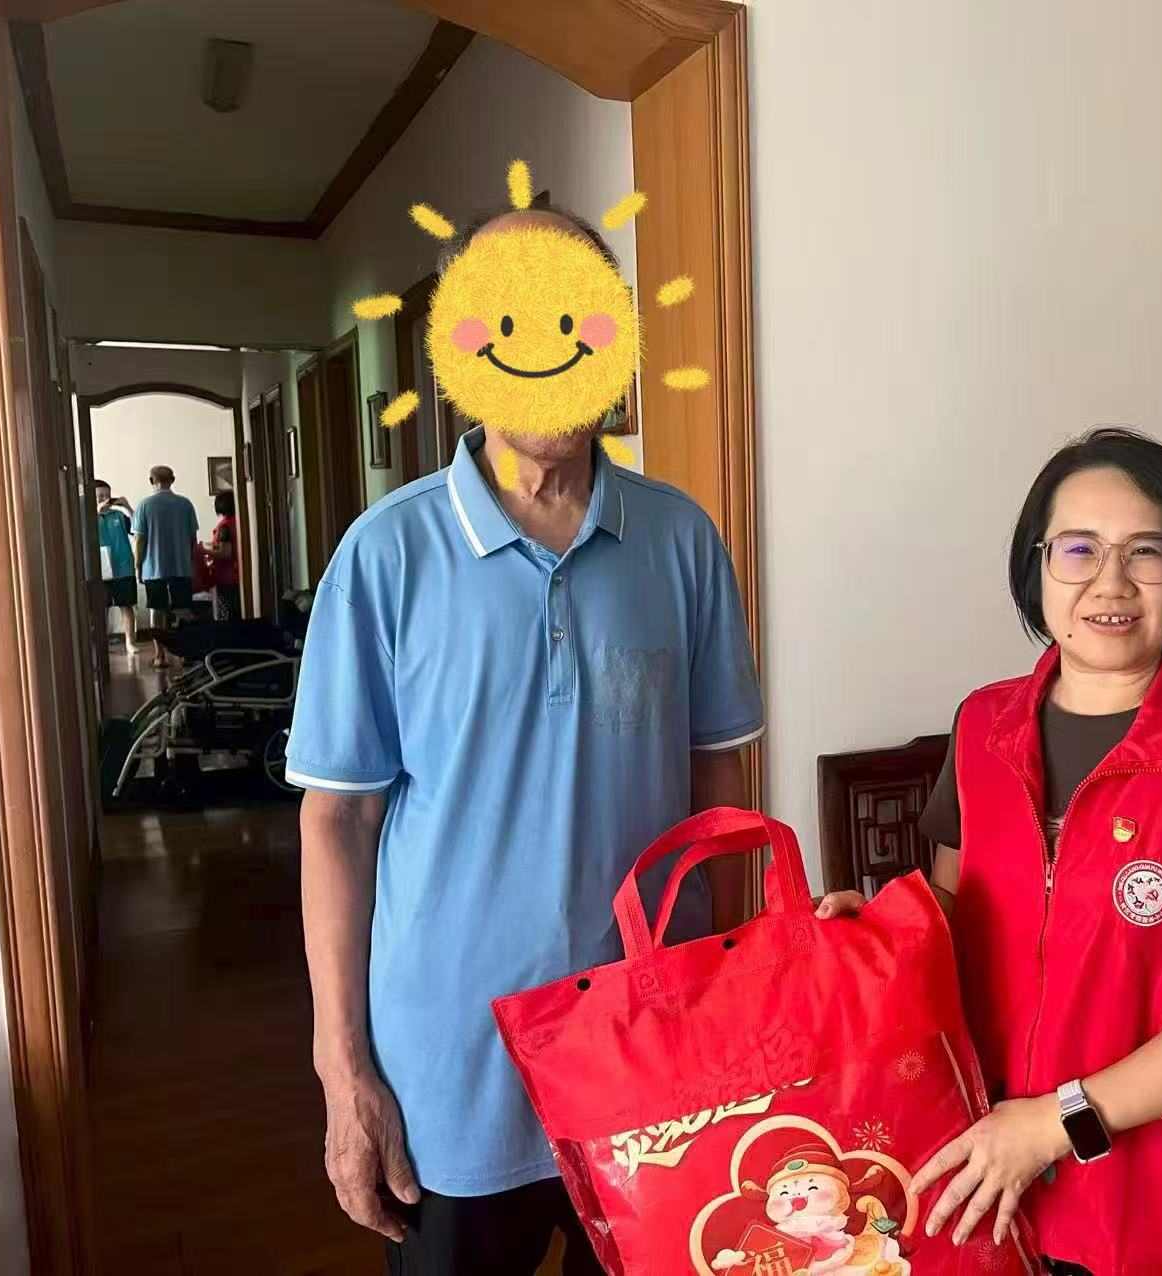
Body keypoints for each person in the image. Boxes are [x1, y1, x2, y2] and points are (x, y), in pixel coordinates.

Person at [288, 202, 764, 1276]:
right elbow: (338, 819)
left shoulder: (682, 540)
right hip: (451, 1078)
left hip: (651, 1059)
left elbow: (717, 778)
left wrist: (729, 1003)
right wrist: (342, 1069)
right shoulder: (387, 555)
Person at [819, 428, 1162, 1274]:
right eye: (1078, 548)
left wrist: (1051, 1124)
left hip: (1149, 1198)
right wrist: (877, 932)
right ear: (1038, 566)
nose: (1111, 582)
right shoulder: (981, 728)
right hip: (978, 1163)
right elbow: (956, 910)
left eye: (1147, 551)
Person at [132, 464, 199, 668]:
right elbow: (192, 540)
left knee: (157, 610)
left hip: (154, 568)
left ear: (151, 481)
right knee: (184, 610)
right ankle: (187, 654)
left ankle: (159, 655)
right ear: (173, 480)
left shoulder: (144, 506)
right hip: (181, 566)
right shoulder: (185, 504)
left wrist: (137, 566)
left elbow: (139, 540)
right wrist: (192, 564)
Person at [94, 479, 138, 655]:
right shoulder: (87, 517)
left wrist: (127, 507)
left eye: (107, 495)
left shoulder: (119, 516)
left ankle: (130, 642)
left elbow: (138, 529)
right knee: (101, 609)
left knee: (126, 606)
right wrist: (96, 514)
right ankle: (101, 645)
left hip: (123, 568)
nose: (104, 499)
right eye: (100, 496)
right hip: (101, 570)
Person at [209, 490, 240, 621]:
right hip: (238, 576)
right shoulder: (240, 522)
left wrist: (204, 551)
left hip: (226, 578)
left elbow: (225, 552)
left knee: (227, 615)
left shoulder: (224, 527)